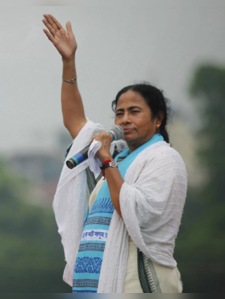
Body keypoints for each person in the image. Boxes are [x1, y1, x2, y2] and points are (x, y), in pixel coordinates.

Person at [42, 14, 187, 293]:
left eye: (134, 112)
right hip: (95, 281)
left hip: (136, 279)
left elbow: (139, 215)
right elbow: (75, 121)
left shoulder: (163, 159)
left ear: (158, 118)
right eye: (119, 113)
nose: (124, 120)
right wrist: (68, 61)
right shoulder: (118, 155)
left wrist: (106, 160)